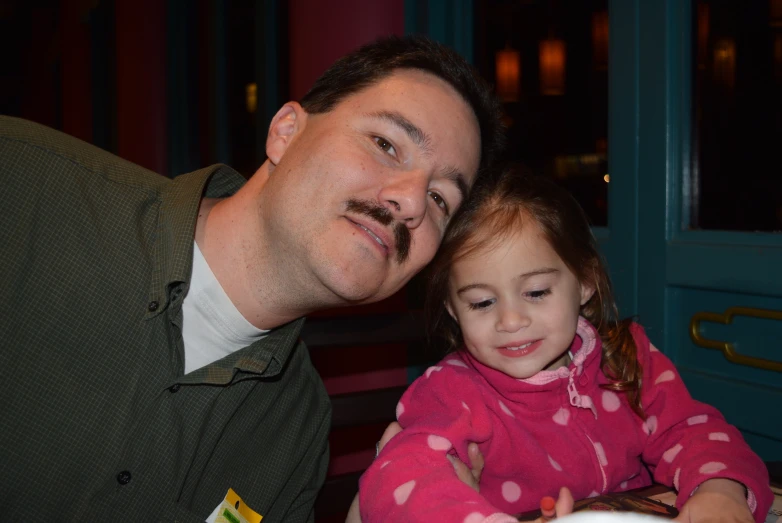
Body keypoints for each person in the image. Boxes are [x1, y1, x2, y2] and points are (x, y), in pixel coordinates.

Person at [0, 35, 504, 522]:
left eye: (441, 199)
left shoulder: (297, 433)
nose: (413, 202)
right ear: (286, 131)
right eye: (386, 144)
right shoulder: (22, 188)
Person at [358, 167, 773, 523]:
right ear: (452, 308)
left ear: (585, 281)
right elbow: (402, 474)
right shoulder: (452, 392)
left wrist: (721, 489)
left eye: (536, 292)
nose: (511, 321)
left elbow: (691, 430)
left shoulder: (627, 355)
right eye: (482, 302)